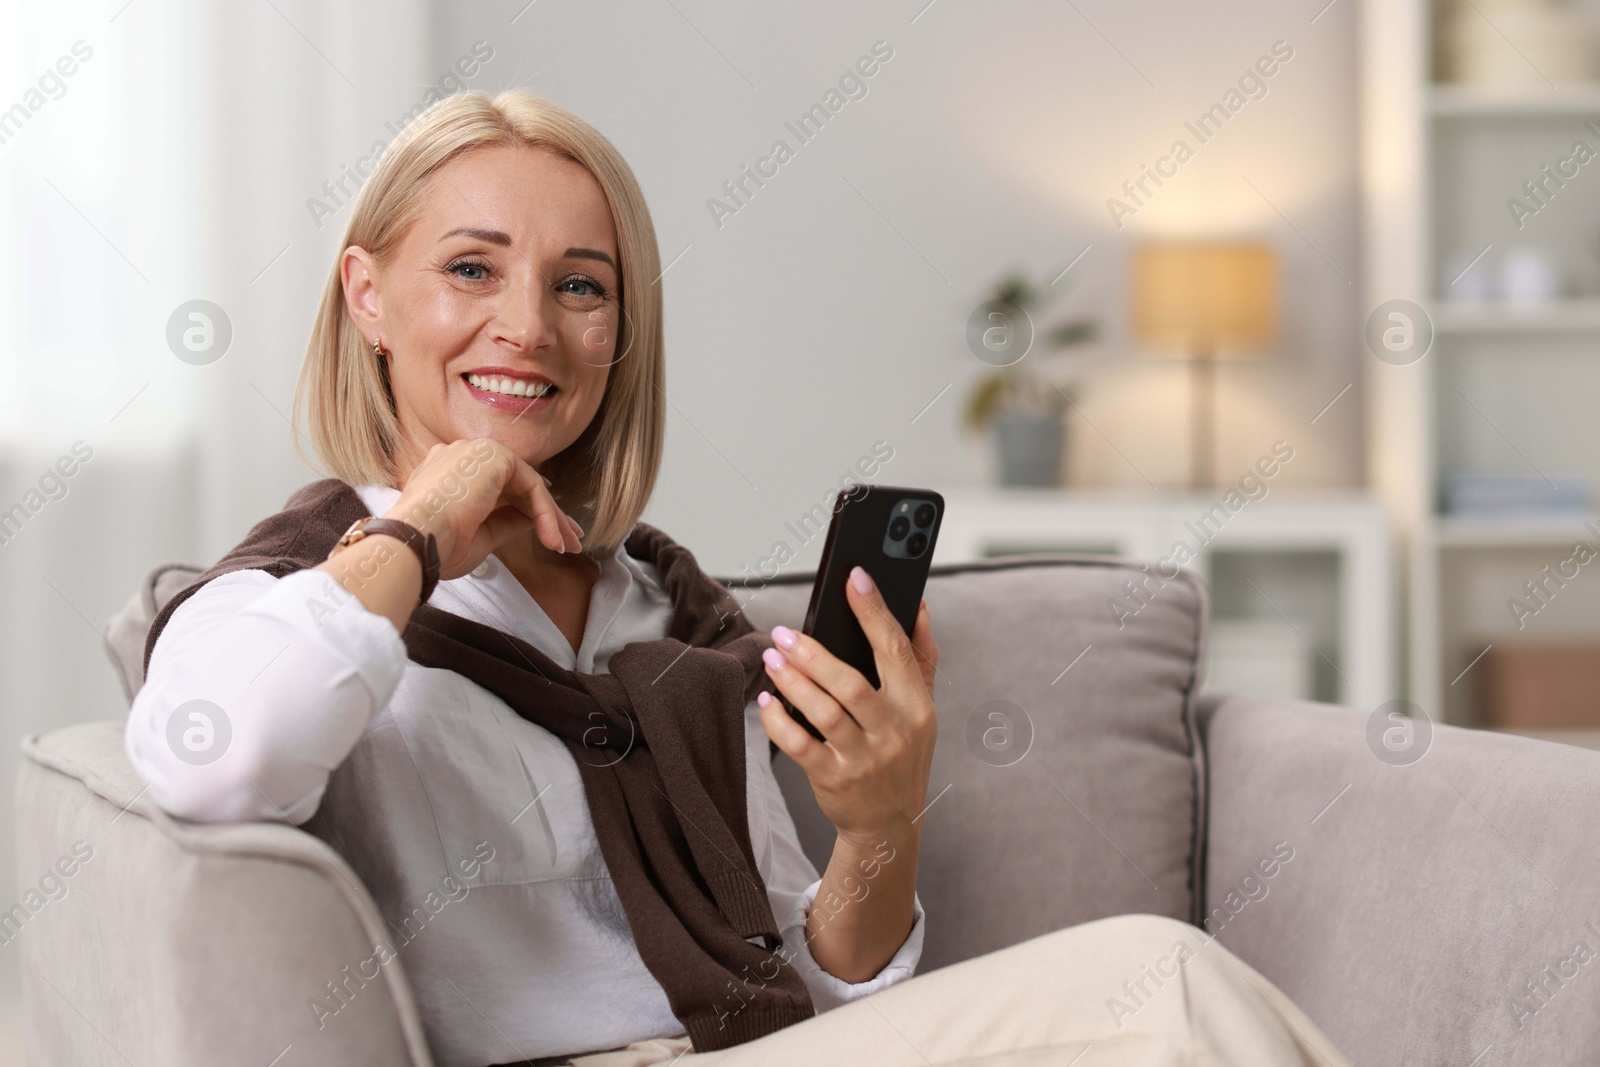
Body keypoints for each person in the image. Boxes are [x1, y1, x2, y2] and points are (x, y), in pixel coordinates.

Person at [124, 89, 1350, 1067]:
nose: (530, 326)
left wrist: (878, 824)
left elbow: (816, 979)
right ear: (368, 297)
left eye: (580, 285)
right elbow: (213, 756)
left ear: (618, 331)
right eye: (471, 269)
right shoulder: (295, 590)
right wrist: (430, 525)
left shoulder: (666, 610)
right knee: (1169, 987)